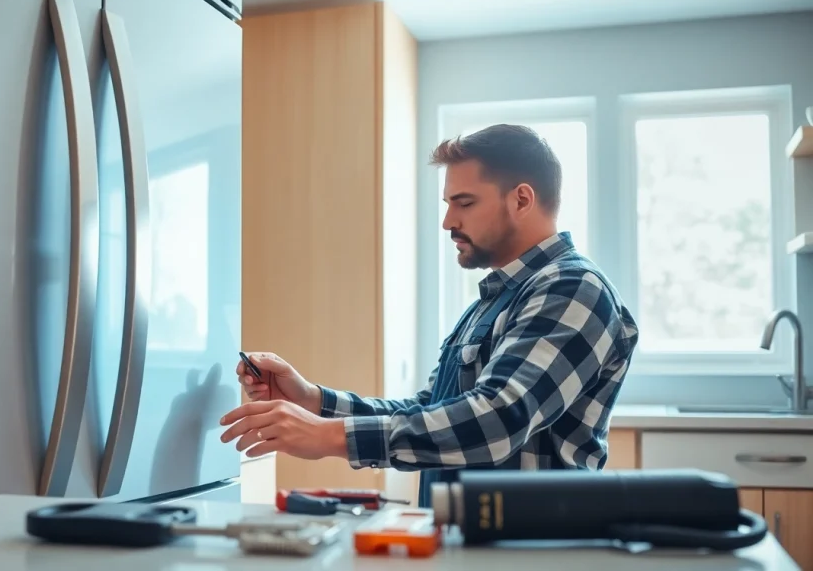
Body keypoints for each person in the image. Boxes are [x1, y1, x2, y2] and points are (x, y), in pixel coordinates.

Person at [219, 124, 640, 507]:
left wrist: (328, 436)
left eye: (464, 203)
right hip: (470, 544)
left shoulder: (575, 288)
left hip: (529, 553)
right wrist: (313, 401)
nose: (447, 221)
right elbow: (432, 409)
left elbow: (499, 417)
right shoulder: (494, 301)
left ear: (522, 199)